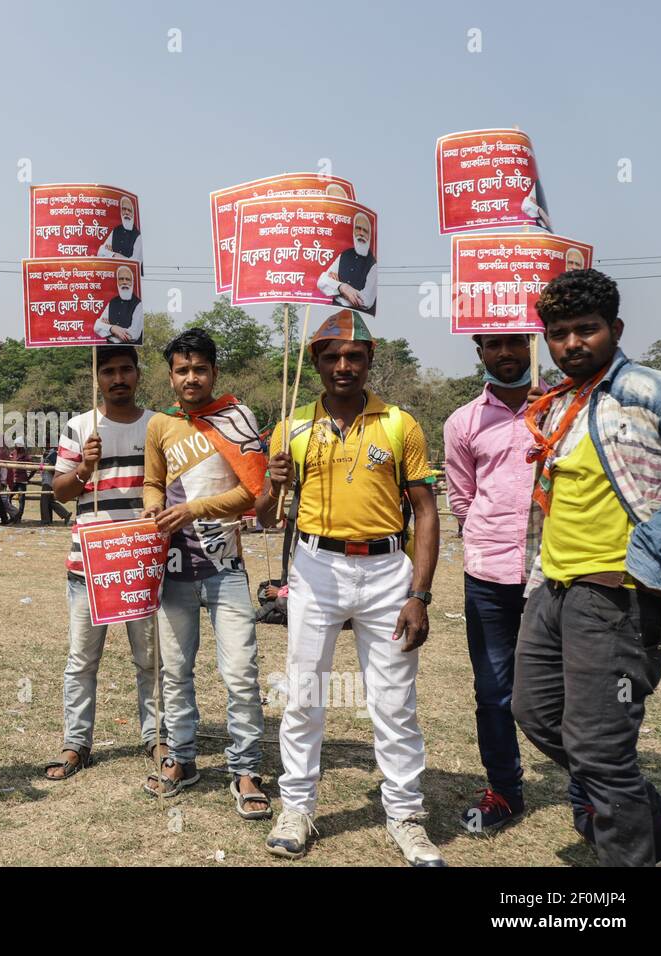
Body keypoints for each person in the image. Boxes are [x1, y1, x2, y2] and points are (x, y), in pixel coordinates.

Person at [256, 310, 443, 866]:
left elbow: (426, 513)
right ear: (314, 361)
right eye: (332, 356)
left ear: (369, 359)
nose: (343, 366)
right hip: (315, 568)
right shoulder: (291, 428)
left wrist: (421, 593)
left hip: (388, 571)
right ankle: (296, 806)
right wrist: (274, 482)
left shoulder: (399, 425)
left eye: (354, 356)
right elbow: (265, 517)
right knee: (304, 693)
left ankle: (406, 815)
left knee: (393, 701)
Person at [512, 268, 661, 867]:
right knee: (534, 713)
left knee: (600, 748)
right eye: (559, 333)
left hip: (618, 596)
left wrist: (657, 545)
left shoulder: (652, 391)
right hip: (552, 589)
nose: (572, 344)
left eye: (587, 329)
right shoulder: (557, 407)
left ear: (616, 328)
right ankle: (650, 818)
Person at [141, 329, 272, 821]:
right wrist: (156, 511)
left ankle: (245, 769)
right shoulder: (161, 427)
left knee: (240, 672)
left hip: (225, 567)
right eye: (182, 370)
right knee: (174, 671)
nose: (191, 377)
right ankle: (183, 758)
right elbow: (152, 483)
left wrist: (194, 508)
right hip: (173, 567)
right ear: (171, 376)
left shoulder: (237, 419)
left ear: (214, 372)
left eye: (199, 369)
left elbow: (253, 493)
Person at [45, 346, 164, 780]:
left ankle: (156, 737)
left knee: (150, 659)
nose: (118, 378)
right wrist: (84, 470)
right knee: (81, 660)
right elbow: (58, 491)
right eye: (109, 371)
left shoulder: (157, 426)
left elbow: (169, 486)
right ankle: (76, 743)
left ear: (138, 373)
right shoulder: (80, 428)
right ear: (97, 377)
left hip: (139, 562)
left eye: (126, 370)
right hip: (89, 565)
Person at [443, 333, 542, 832]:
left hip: (555, 572)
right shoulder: (462, 422)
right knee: (493, 691)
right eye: (494, 346)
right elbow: (461, 499)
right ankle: (504, 791)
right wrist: (488, 541)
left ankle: (590, 794)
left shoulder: (559, 409)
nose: (507, 354)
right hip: (488, 576)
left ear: (531, 344)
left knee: (567, 689)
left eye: (515, 343)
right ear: (479, 352)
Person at [316, 212, 377, 314]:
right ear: (353, 231)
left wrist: (335, 287)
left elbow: (366, 301)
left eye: (365, 231)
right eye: (358, 228)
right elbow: (321, 281)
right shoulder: (344, 255)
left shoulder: (373, 264)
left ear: (369, 236)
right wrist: (342, 287)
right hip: (335, 313)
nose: (361, 233)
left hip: (358, 317)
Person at [93, 264, 143, 344]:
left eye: (127, 279)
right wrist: (112, 328)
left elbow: (132, 335)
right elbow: (96, 327)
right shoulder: (112, 302)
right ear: (117, 282)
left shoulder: (138, 304)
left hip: (128, 351)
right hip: (109, 351)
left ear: (132, 282)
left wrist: (108, 331)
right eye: (121, 279)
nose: (124, 282)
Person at [95, 194, 143, 262]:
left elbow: (135, 262)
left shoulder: (137, 236)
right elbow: (100, 252)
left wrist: (110, 254)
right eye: (124, 209)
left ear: (133, 214)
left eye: (129, 210)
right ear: (121, 212)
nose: (126, 212)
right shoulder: (116, 230)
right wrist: (114, 255)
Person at [38, 446, 70, 525]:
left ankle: (46, 521)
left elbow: (56, 469)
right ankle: (64, 514)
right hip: (47, 480)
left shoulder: (53, 454)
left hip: (49, 481)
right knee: (50, 501)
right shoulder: (46, 454)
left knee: (44, 501)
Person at [5, 441, 30, 522]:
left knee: (21, 500)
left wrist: (29, 477)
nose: (16, 447)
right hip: (13, 480)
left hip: (22, 480)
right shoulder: (13, 453)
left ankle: (18, 517)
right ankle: (13, 515)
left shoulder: (26, 455)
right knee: (8, 498)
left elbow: (33, 466)